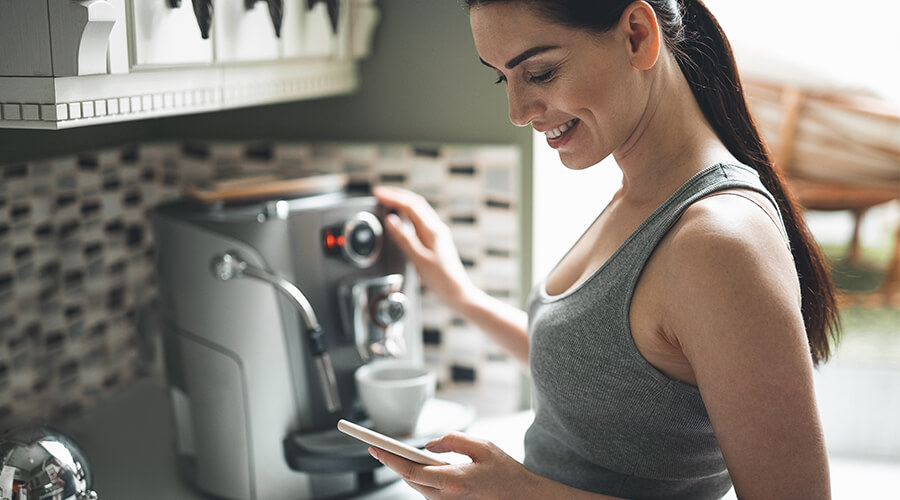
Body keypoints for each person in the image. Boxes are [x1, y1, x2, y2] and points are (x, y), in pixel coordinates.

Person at [371, 1, 840, 498]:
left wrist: (521, 492)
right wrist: (460, 294)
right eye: (501, 79)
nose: (517, 112)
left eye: (541, 72)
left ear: (637, 36)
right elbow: (602, 375)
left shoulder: (717, 242)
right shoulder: (642, 193)